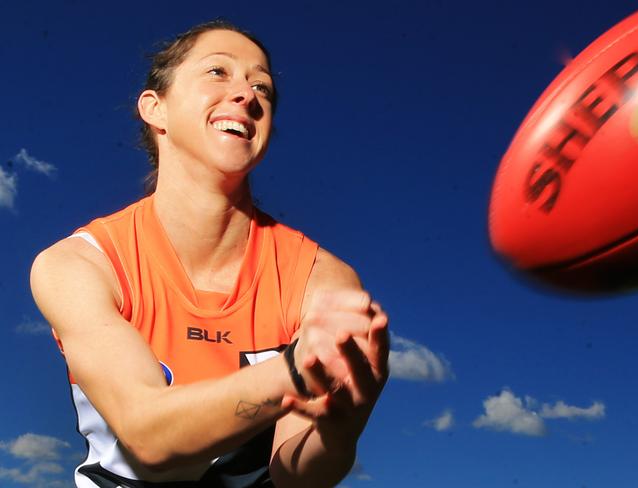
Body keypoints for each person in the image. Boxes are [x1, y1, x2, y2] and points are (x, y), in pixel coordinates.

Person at [30, 19, 389, 488]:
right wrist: (294, 375)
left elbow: (296, 476)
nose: (247, 93)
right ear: (155, 108)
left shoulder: (322, 279)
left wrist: (341, 426)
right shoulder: (79, 264)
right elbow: (150, 436)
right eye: (218, 72)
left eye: (262, 85)